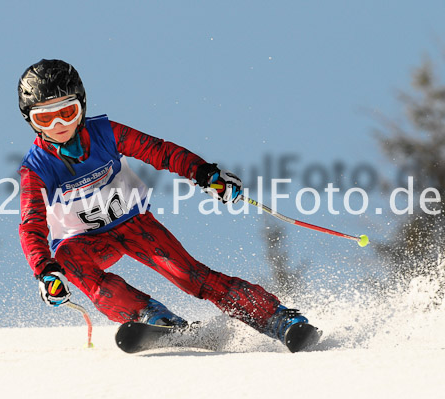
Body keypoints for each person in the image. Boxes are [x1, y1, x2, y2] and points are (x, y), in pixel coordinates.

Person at [17, 59, 319, 352]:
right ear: (30, 121)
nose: (59, 125)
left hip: (132, 224)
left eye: (67, 112)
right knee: (68, 259)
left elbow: (158, 151)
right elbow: (31, 225)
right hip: (83, 241)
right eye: (45, 118)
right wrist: (45, 271)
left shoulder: (105, 133)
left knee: (189, 276)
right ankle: (151, 317)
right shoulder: (37, 168)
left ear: (82, 107)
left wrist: (203, 173)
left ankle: (278, 319)